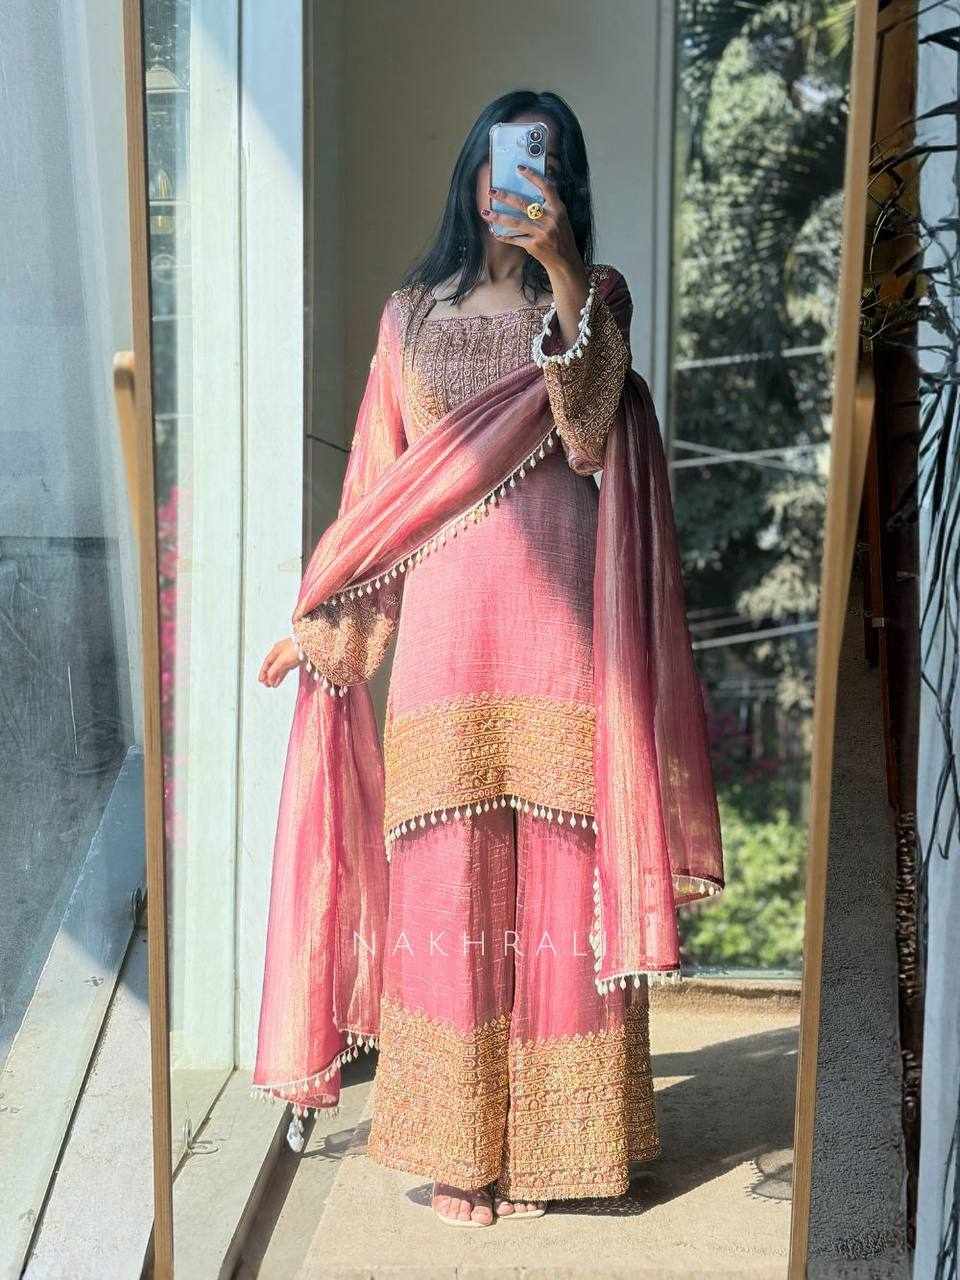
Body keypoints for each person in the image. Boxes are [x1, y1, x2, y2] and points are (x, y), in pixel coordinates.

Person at [252, 89, 724, 1228]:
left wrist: (562, 270)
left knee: (562, 886)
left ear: (565, 184)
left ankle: (572, 1145)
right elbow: (380, 494)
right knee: (447, 895)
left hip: (564, 642)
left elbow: (591, 434)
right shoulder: (407, 318)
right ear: (473, 169)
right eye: (506, 158)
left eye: (543, 160)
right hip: (445, 651)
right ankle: (457, 1146)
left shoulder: (593, 298)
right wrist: (322, 629)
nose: (518, 177)